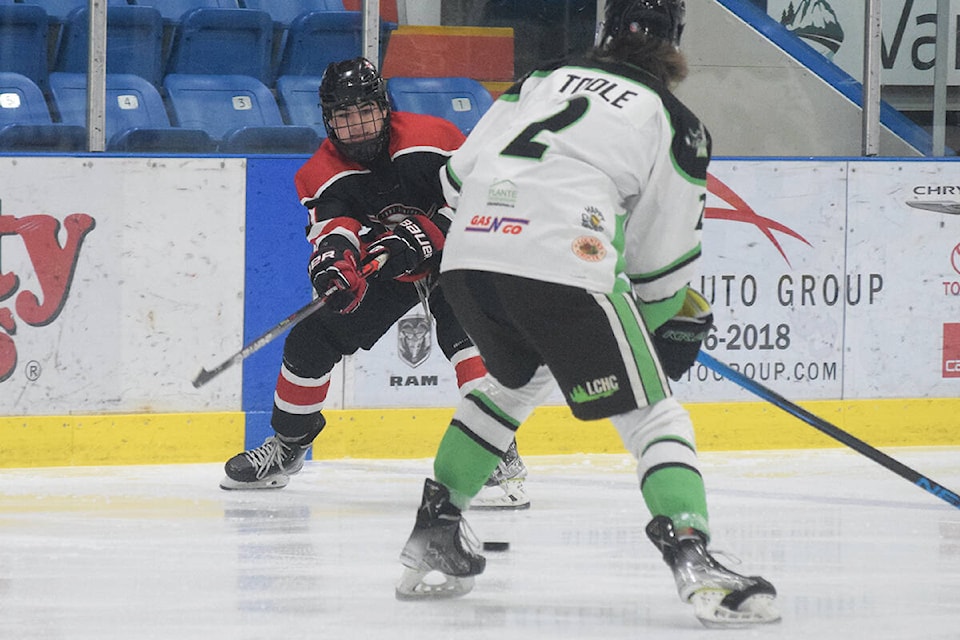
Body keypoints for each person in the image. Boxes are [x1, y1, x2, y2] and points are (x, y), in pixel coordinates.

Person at [395, 0, 780, 627]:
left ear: (605, 34)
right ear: (675, 44)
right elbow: (659, 269)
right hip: (561, 266)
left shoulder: (541, 80)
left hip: (469, 261)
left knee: (517, 382)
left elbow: (455, 178)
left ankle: (436, 527)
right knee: (652, 409)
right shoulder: (674, 122)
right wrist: (663, 325)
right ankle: (693, 555)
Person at [219, 57, 529, 510]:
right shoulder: (319, 173)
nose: (357, 126)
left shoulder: (434, 136)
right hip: (390, 263)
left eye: (365, 111)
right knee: (312, 338)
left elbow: (481, 196)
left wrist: (433, 231)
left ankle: (494, 445)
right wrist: (335, 265)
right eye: (344, 116)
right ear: (328, 120)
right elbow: (335, 229)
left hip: (457, 254)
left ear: (384, 107)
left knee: (468, 334)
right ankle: (288, 445)